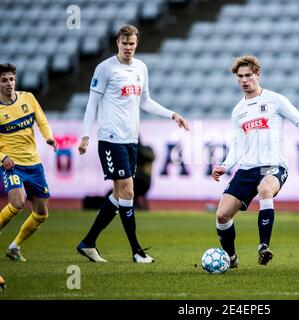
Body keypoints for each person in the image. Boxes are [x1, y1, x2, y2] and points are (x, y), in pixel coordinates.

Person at [77, 25, 189, 263]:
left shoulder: (141, 68)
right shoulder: (105, 68)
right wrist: (86, 135)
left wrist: (172, 114)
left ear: (137, 44)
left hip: (130, 141)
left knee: (119, 196)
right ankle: (137, 251)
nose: (128, 48)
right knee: (128, 190)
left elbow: (145, 101)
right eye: (124, 43)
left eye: (132, 44)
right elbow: (92, 104)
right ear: (118, 42)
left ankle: (88, 242)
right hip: (111, 139)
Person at [212, 55, 299, 268]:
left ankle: (263, 246)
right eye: (240, 76)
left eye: (248, 75)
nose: (244, 80)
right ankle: (232, 259)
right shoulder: (238, 111)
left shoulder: (274, 100)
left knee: (265, 190)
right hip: (247, 168)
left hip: (274, 165)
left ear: (257, 74)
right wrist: (225, 165)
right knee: (222, 215)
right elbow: (238, 144)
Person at [0, 63, 57, 262]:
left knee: (41, 213)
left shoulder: (28, 98)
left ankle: (14, 247)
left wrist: (49, 137)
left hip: (34, 164)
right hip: (11, 164)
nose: (9, 83)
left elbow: (41, 120)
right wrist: (2, 158)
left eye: (11, 79)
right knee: (17, 202)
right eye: (4, 80)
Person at [133, 139, 155, 210]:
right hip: (134, 181)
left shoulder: (146, 150)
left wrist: (139, 149)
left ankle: (136, 205)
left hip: (143, 181)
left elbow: (151, 157)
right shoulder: (129, 150)